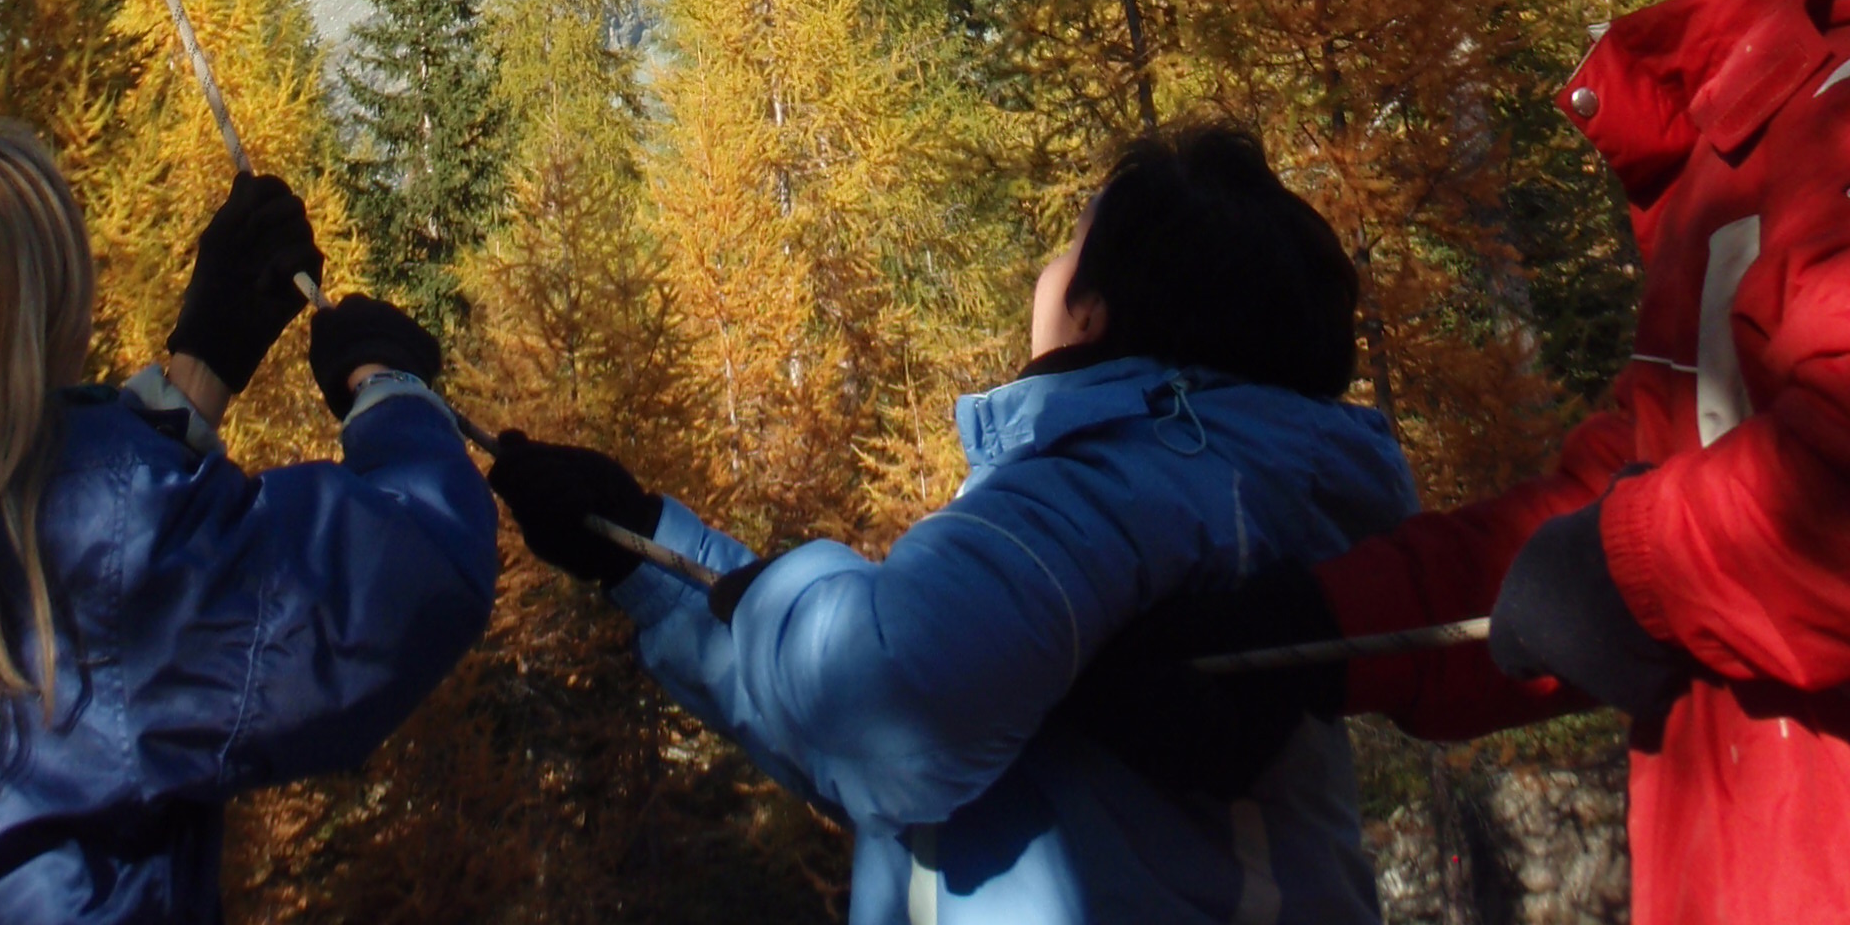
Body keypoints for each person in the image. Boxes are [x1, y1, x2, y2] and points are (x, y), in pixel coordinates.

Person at [1071, 0, 1850, 925]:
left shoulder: (1825, 137)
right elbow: (1613, 504)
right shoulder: (1757, 147)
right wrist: (1318, 637)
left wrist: (1629, 567)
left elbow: (1785, 512)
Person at [491, 121, 1416, 925]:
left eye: (1067, 245)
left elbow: (893, 693)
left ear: (1094, 311)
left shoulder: (1126, 479)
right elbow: (875, 753)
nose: (1046, 271)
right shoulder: (1202, 497)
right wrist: (645, 554)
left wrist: (789, 590)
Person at [0, 130, 495, 924]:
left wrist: (198, 373)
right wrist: (388, 387)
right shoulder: (91, 551)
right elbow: (406, 578)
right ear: (19, 339)